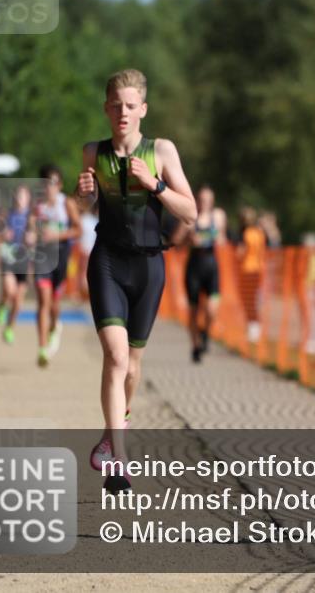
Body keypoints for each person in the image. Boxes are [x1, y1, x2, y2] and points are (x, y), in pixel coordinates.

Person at [77, 68, 196, 493]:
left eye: (131, 106)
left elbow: (190, 212)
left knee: (133, 365)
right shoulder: (93, 151)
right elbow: (89, 205)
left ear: (143, 109)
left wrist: (157, 185)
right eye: (116, 106)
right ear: (106, 108)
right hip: (107, 260)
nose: (122, 113)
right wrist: (85, 193)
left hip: (149, 267)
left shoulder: (160, 150)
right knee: (116, 356)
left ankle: (112, 435)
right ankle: (119, 462)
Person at [29, 165, 82, 368]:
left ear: (59, 185)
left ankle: (54, 326)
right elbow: (30, 227)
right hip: (42, 256)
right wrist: (31, 234)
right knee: (43, 299)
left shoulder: (66, 203)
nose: (48, 188)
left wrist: (57, 235)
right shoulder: (38, 206)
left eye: (52, 183)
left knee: (54, 303)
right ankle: (42, 348)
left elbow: (77, 230)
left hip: (61, 255)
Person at [174, 184, 226, 363]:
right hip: (194, 266)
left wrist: (214, 238)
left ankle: (205, 334)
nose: (204, 203)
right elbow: (176, 242)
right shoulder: (189, 217)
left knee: (212, 309)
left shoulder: (218, 216)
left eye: (207, 200)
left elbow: (222, 237)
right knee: (194, 311)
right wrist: (187, 239)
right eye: (201, 199)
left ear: (212, 201)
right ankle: (195, 346)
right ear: (197, 200)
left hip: (211, 265)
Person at [0, 184, 33, 344]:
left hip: (24, 260)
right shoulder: (6, 215)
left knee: (18, 300)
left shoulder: (32, 217)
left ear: (28, 199)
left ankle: (9, 327)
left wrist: (33, 238)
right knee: (9, 291)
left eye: (23, 196)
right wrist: (3, 234)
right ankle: (2, 305)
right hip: (9, 258)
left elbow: (37, 237)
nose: (20, 199)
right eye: (18, 196)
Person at [236, 205, 266, 343]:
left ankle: (253, 327)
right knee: (254, 300)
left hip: (247, 270)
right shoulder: (259, 233)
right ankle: (254, 327)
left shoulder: (246, 234)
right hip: (258, 270)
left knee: (248, 300)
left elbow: (240, 253)